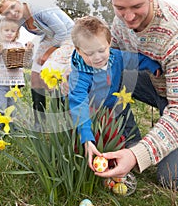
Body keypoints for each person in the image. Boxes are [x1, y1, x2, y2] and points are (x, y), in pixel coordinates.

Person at [98, 0, 178, 189]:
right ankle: (130, 141)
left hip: (175, 100)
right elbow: (110, 58)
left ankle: (135, 153)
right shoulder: (120, 21)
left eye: (136, 7)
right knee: (107, 72)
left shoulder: (173, 33)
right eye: (120, 8)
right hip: (155, 85)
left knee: (170, 178)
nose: (129, 17)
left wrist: (138, 155)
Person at [68, 16, 162, 171]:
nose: (97, 57)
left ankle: (135, 154)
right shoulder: (79, 76)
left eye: (101, 50)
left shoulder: (116, 57)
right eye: (89, 53)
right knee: (98, 135)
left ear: (109, 44)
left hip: (115, 102)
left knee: (128, 125)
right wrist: (86, 136)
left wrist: (152, 65)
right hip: (93, 111)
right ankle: (97, 157)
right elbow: (79, 103)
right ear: (78, 50)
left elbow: (135, 59)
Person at [0, 0, 74, 129]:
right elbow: (2, 31)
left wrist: (48, 53)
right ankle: (40, 123)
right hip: (51, 37)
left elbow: (62, 32)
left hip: (69, 35)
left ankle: (65, 118)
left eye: (13, 7)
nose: (13, 13)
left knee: (50, 71)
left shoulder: (39, 10)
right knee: (35, 75)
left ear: (18, 0)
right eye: (7, 12)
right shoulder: (18, 17)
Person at [0, 17, 33, 134]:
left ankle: (11, 126)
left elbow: (26, 62)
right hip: (0, 82)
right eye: (6, 30)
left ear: (17, 33)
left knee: (12, 107)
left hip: (15, 83)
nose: (9, 33)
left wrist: (28, 50)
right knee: (1, 107)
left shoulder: (19, 45)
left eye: (12, 31)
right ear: (0, 31)